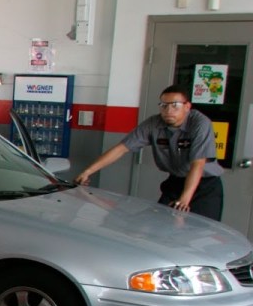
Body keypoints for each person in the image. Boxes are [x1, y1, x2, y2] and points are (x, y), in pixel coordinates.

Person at [74, 85, 223, 221]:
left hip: (204, 186)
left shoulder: (200, 123)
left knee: (200, 230)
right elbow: (122, 148)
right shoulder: (154, 124)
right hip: (176, 182)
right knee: (160, 224)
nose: (168, 111)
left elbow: (198, 164)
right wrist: (88, 171)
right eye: (164, 105)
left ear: (187, 106)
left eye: (175, 105)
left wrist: (184, 200)